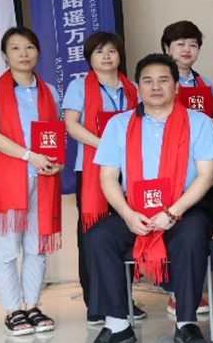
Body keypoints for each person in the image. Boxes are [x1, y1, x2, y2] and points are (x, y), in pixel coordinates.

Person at [86, 54, 213, 343]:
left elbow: (206, 176)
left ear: (176, 86)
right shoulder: (119, 124)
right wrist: (127, 215)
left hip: (184, 208)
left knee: (192, 236)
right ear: (138, 87)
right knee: (98, 237)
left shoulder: (199, 123)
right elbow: (107, 177)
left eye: (163, 80)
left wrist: (172, 212)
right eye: (147, 81)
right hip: (134, 209)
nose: (155, 87)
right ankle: (118, 325)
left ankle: (186, 322)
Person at [0, 27, 63, 336]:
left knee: (36, 248)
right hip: (7, 179)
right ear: (5, 55)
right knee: (7, 249)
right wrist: (30, 156)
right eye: (16, 48)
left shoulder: (49, 91)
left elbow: (54, 134)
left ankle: (32, 306)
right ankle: (13, 310)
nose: (24, 53)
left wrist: (56, 160)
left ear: (37, 51)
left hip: (43, 179)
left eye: (29, 47)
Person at [64, 32, 139, 325]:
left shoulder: (132, 88)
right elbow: (71, 125)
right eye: (99, 52)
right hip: (92, 169)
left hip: (129, 171)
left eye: (111, 51)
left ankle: (124, 299)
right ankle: (95, 304)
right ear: (89, 57)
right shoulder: (78, 87)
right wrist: (107, 146)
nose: (106, 56)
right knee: (92, 236)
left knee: (126, 230)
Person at [161, 20, 213, 316]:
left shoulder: (203, 83)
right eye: (180, 44)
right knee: (168, 228)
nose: (186, 50)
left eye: (192, 44)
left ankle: (192, 289)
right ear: (166, 48)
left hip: (197, 167)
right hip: (164, 167)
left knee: (196, 229)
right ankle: (174, 291)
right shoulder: (157, 83)